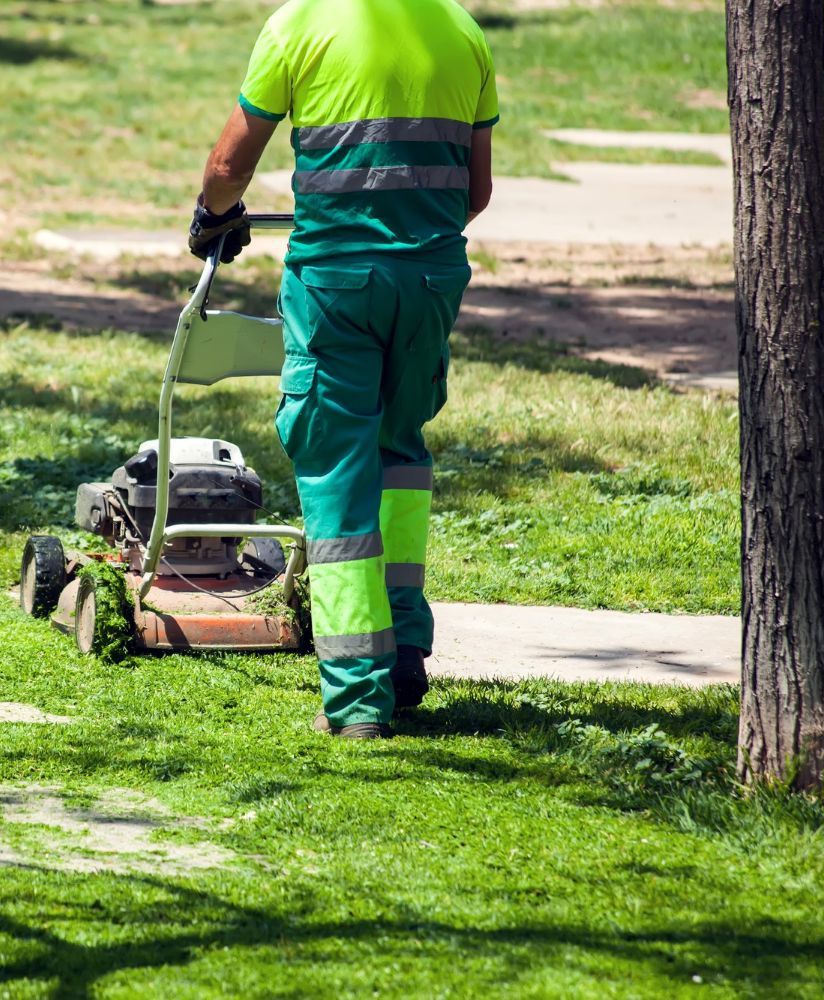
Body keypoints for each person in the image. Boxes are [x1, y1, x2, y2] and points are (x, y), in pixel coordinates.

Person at [188, 0, 498, 738]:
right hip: (430, 282)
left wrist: (212, 215)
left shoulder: (299, 23)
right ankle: (403, 655)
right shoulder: (462, 30)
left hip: (336, 284)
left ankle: (358, 698)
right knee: (400, 457)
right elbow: (475, 191)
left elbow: (231, 165)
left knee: (336, 472)